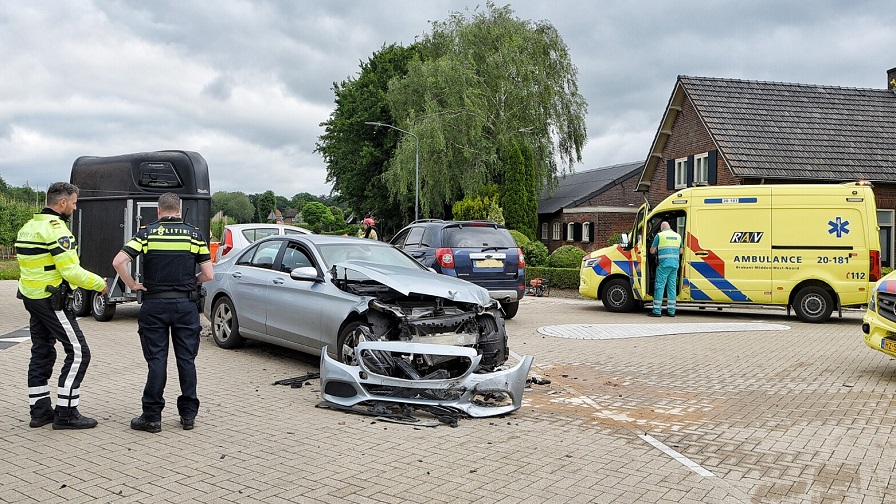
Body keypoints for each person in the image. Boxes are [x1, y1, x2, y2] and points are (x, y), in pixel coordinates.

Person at [112, 193, 214, 433]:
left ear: (158, 211)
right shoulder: (194, 235)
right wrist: (192, 281)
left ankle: (152, 418)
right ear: (179, 210)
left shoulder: (147, 233)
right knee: (186, 361)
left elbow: (118, 262)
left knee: (157, 361)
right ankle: (188, 416)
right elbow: (209, 274)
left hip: (154, 306)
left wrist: (133, 285)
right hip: (186, 306)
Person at [15, 182, 108, 429]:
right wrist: (99, 284)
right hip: (53, 300)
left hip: (31, 298)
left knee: (41, 351)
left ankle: (40, 411)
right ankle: (66, 413)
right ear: (62, 203)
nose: (75, 208)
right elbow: (71, 271)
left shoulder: (29, 226)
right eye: (75, 203)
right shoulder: (57, 230)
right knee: (79, 352)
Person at [649, 221, 683, 317]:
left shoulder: (659, 235)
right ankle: (671, 311)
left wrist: (656, 250)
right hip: (675, 265)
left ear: (662, 228)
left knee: (660, 286)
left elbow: (652, 251)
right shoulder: (678, 236)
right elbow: (681, 251)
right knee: (672, 287)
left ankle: (656, 310)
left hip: (664, 265)